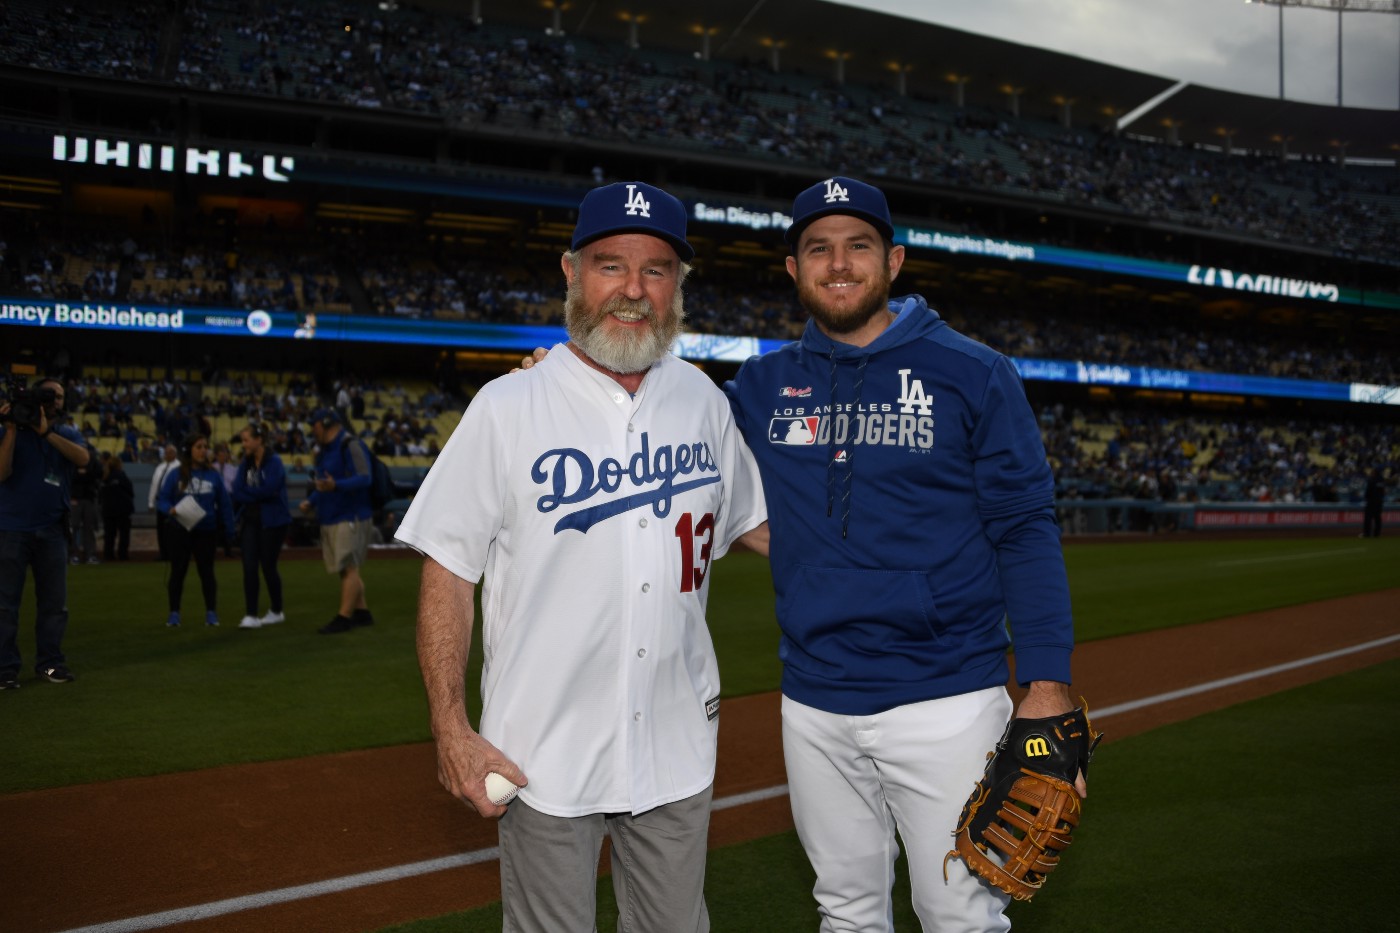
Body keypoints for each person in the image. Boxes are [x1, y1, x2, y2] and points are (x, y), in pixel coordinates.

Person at [395, 181, 768, 933]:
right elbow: (449, 571)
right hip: (542, 754)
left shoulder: (704, 403)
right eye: (610, 265)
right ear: (571, 273)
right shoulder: (508, 408)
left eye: (656, 269)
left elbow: (762, 529)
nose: (633, 289)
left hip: (675, 746)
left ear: (679, 286)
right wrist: (450, 724)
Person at [723, 177, 1083, 931]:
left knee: (961, 915)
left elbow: (1024, 526)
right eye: (818, 249)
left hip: (946, 698)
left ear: (895, 261)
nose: (840, 264)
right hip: (814, 699)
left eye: (859, 246)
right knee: (846, 909)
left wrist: (1046, 684)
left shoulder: (974, 372)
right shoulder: (758, 386)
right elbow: (676, 446)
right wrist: (559, 374)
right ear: (793, 269)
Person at [0, 376, 90, 688]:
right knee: (4, 604)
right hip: (11, 528)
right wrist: (11, 427)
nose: (55, 400)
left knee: (54, 604)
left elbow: (84, 459)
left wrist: (46, 433)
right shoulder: (9, 431)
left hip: (51, 530)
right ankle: (4, 668)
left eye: (60, 396)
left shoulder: (65, 432)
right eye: (49, 394)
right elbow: (2, 472)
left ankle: (50, 663)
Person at [300, 408, 374, 634]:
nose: (313, 430)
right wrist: (312, 500)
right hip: (333, 514)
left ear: (324, 424)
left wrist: (336, 486)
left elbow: (365, 478)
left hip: (350, 515)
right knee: (346, 568)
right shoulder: (325, 450)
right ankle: (362, 612)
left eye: (314, 425)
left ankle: (344, 617)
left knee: (348, 567)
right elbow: (324, 483)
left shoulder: (350, 445)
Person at [157, 434, 235, 628]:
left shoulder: (213, 475)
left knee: (207, 572)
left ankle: (211, 612)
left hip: (206, 531)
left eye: (205, 447)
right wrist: (170, 509)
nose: (203, 451)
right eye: (199, 447)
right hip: (180, 530)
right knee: (178, 572)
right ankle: (174, 613)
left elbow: (225, 504)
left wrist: (230, 530)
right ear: (188, 450)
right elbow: (162, 499)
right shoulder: (175, 474)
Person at [231, 424, 291, 629]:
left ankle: (276, 610)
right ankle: (251, 614)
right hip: (251, 520)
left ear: (259, 440)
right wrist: (255, 494)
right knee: (248, 566)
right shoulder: (245, 462)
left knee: (267, 566)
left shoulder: (274, 461)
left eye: (246, 439)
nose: (244, 444)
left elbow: (271, 489)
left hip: (273, 521)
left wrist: (249, 493)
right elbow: (236, 490)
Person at [68, 439, 102, 564]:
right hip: (76, 498)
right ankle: (73, 555)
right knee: (74, 527)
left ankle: (89, 555)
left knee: (88, 528)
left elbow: (97, 475)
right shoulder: (72, 460)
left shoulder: (93, 461)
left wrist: (84, 475)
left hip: (87, 497)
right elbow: (71, 477)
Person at [99, 453, 135, 561]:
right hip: (122, 510)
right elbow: (130, 491)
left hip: (108, 510)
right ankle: (122, 555)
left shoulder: (105, 477)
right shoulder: (122, 476)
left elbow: (101, 495)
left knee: (109, 534)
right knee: (124, 534)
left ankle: (108, 555)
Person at [148, 443, 179, 559]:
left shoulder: (179, 467)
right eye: (166, 452)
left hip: (173, 502)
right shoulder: (160, 467)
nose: (167, 454)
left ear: (175, 454)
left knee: (173, 530)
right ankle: (163, 553)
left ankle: (173, 553)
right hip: (160, 501)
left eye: (170, 452)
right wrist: (151, 502)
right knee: (161, 530)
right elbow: (154, 485)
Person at [1363, 469, 1385, 537]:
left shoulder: (1371, 480)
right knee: (1377, 518)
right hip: (1379, 502)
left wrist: (1366, 497)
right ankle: (1377, 533)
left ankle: (1367, 533)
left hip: (1371, 502)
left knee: (1368, 518)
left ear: (1374, 473)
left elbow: (1368, 492)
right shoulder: (1381, 481)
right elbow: (1383, 492)